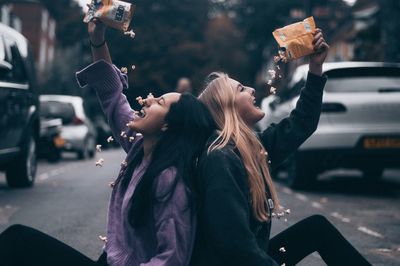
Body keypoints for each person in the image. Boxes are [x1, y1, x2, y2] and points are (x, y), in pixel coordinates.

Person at [0, 19, 214, 266]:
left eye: (160, 103)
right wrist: (97, 38)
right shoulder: (139, 148)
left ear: (168, 126)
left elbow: (173, 259)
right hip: (109, 261)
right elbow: (112, 95)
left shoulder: (170, 181)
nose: (148, 100)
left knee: (17, 242)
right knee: (18, 239)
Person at [190, 29, 372, 266]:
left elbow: (301, 123)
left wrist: (315, 69)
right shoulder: (219, 158)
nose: (252, 89)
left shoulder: (252, 148)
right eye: (241, 89)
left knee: (316, 228)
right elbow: (234, 245)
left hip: (250, 257)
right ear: (226, 107)